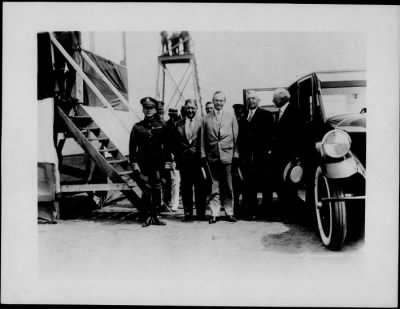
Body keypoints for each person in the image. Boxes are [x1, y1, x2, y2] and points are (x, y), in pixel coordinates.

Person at [129, 97, 172, 227]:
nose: (148, 111)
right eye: (146, 108)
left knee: (157, 189)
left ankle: (156, 216)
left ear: (155, 109)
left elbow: (168, 146)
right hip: (144, 164)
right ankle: (147, 216)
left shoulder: (162, 125)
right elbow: (132, 148)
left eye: (151, 108)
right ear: (142, 109)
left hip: (158, 164)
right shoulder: (137, 127)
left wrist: (168, 162)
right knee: (146, 190)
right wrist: (134, 164)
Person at [201, 91, 239, 224]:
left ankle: (229, 212)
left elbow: (236, 137)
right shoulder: (206, 118)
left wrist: (235, 154)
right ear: (213, 101)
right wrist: (203, 154)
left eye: (221, 101)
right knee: (214, 186)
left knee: (228, 186)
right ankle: (214, 213)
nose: (218, 103)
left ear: (225, 102)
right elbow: (203, 139)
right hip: (212, 156)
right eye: (216, 100)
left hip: (227, 155)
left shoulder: (231, 116)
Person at [241, 91, 275, 220]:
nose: (251, 101)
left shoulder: (266, 115)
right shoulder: (243, 117)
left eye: (253, 98)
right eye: (249, 99)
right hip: (248, 157)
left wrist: (267, 151)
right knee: (250, 185)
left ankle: (267, 213)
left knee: (266, 185)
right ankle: (251, 212)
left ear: (258, 100)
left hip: (262, 156)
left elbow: (271, 135)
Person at [271, 88, 303, 222]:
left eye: (275, 98)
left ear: (282, 98)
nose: (273, 100)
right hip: (279, 156)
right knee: (281, 186)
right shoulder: (279, 113)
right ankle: (285, 213)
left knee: (290, 186)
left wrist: (296, 157)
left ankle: (292, 215)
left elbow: (299, 135)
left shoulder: (295, 112)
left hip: (290, 157)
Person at [172, 99, 207, 221]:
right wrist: (177, 159)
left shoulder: (202, 122)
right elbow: (175, 144)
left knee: (200, 188)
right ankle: (188, 213)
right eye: (188, 108)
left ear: (196, 108)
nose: (190, 110)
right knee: (186, 188)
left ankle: (201, 213)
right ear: (184, 108)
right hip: (184, 162)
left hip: (198, 161)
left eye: (193, 108)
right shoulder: (178, 124)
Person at [53, 31, 81, 108]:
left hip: (72, 43)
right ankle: (62, 94)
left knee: (73, 70)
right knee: (59, 69)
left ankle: (67, 96)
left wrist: (79, 42)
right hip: (59, 42)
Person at [164, 108, 182, 212]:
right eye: (171, 114)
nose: (172, 116)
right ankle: (168, 202)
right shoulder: (166, 124)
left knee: (176, 181)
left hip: (178, 157)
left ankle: (175, 203)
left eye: (174, 114)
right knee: (169, 182)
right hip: (168, 157)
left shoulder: (181, 124)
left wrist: (176, 156)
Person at [232, 103, 246, 218]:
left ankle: (243, 207)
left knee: (244, 184)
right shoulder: (231, 123)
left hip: (244, 158)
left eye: (241, 112)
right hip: (233, 158)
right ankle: (236, 208)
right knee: (235, 185)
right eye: (237, 113)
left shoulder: (245, 123)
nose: (239, 115)